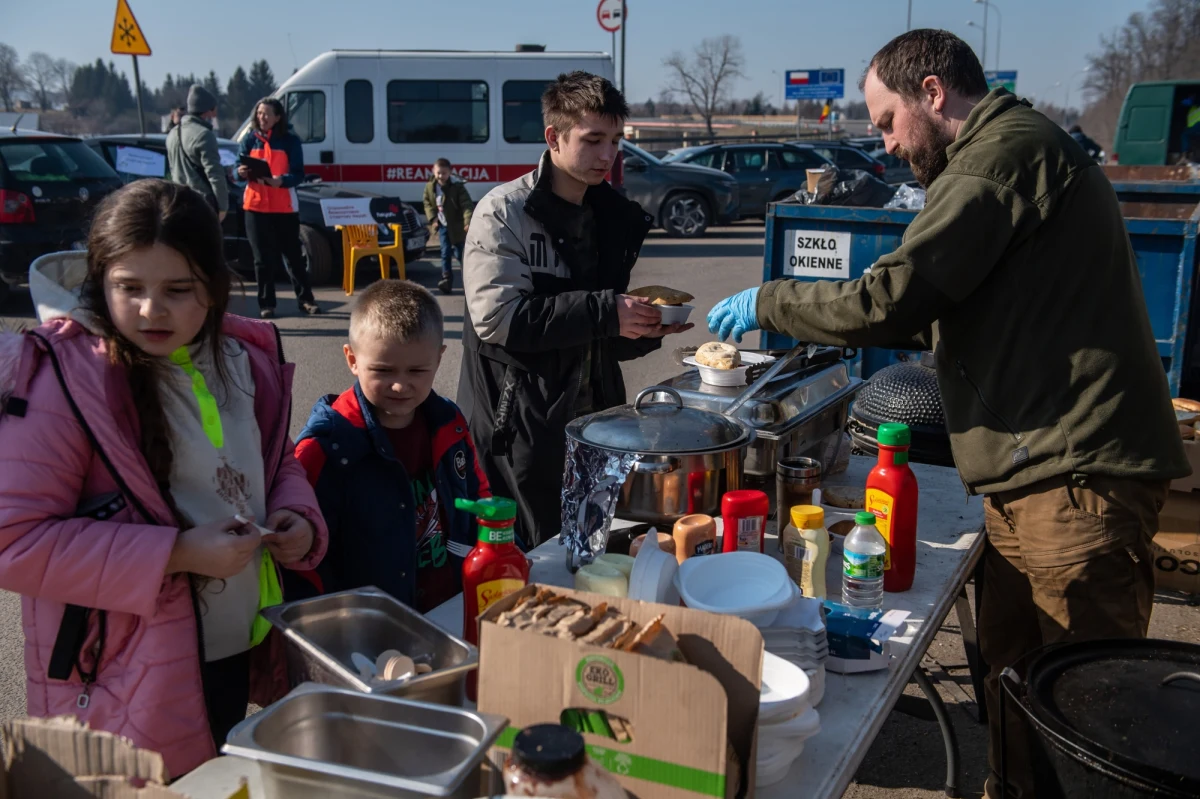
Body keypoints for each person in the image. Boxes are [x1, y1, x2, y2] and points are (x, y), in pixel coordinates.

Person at [706, 30, 1188, 798]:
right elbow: (942, 308)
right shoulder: (1001, 154)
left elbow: (892, 296)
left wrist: (770, 301)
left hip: (1075, 481)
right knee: (1013, 681)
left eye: (887, 119)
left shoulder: (1001, 157)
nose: (883, 139)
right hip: (1031, 476)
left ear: (932, 93)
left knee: (1092, 717)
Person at [0, 179, 328, 777]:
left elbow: (272, 461)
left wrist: (297, 517)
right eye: (130, 288)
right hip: (132, 670)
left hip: (238, 641)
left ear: (215, 285)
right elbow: (13, 540)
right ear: (101, 281)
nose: (152, 309)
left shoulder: (242, 355)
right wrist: (175, 553)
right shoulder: (62, 380)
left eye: (178, 290)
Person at [458, 71, 692, 548]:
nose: (608, 155)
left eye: (615, 140)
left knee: (590, 553)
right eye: (593, 140)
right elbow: (499, 320)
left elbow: (589, 334)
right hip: (521, 431)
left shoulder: (608, 214)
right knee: (532, 560)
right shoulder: (504, 212)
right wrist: (608, 313)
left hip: (597, 426)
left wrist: (638, 328)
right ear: (554, 137)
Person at [286, 280, 490, 611]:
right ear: (352, 359)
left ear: (439, 360)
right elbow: (302, 557)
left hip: (449, 605)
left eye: (417, 370)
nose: (399, 384)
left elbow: (478, 495)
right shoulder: (326, 447)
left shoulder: (448, 422)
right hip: (369, 626)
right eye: (382, 370)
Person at [237, 98, 321, 319]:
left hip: (283, 208)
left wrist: (281, 181)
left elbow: (298, 174)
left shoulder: (290, 141)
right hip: (254, 206)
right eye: (259, 113)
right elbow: (237, 169)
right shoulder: (249, 140)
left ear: (277, 117)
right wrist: (241, 172)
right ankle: (267, 304)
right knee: (261, 259)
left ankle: (306, 300)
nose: (261, 118)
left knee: (293, 255)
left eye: (266, 114)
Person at [167, 85, 228, 222]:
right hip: (201, 204)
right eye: (213, 110)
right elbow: (214, 173)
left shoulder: (172, 134)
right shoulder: (204, 135)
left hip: (178, 201)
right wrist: (222, 207)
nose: (214, 115)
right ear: (207, 111)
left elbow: (173, 169)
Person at [424, 159, 475, 296]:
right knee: (445, 253)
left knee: (460, 254)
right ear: (434, 172)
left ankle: (470, 280)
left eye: (444, 173)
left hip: (456, 227)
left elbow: (466, 205)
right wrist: (433, 218)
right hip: (442, 226)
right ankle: (446, 280)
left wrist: (467, 221)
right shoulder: (430, 187)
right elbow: (427, 202)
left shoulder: (457, 187)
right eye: (438, 173)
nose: (441, 176)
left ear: (450, 173)